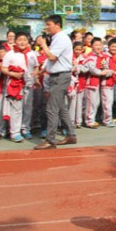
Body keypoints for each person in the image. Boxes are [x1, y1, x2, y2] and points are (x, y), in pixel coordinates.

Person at [34, 15, 76, 149]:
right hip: (57, 75)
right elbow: (52, 59)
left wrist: (43, 44)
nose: (47, 27)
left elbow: (52, 56)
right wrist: (41, 71)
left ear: (57, 25)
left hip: (60, 76)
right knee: (61, 107)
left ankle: (50, 140)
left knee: (51, 108)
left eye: (49, 24)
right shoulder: (57, 38)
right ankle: (71, 135)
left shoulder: (61, 38)